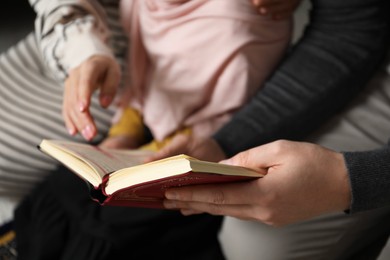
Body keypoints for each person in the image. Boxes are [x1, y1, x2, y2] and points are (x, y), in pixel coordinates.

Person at [11, 0, 390, 260]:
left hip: (216, 124)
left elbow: (350, 27)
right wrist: (84, 51)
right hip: (149, 104)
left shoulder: (237, 29)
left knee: (250, 244)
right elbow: (142, 81)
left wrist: (351, 179)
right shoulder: (143, 15)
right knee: (61, 192)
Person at [63, 0, 295, 151]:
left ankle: (189, 132)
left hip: (211, 130)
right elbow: (143, 61)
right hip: (145, 95)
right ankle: (133, 119)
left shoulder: (239, 19)